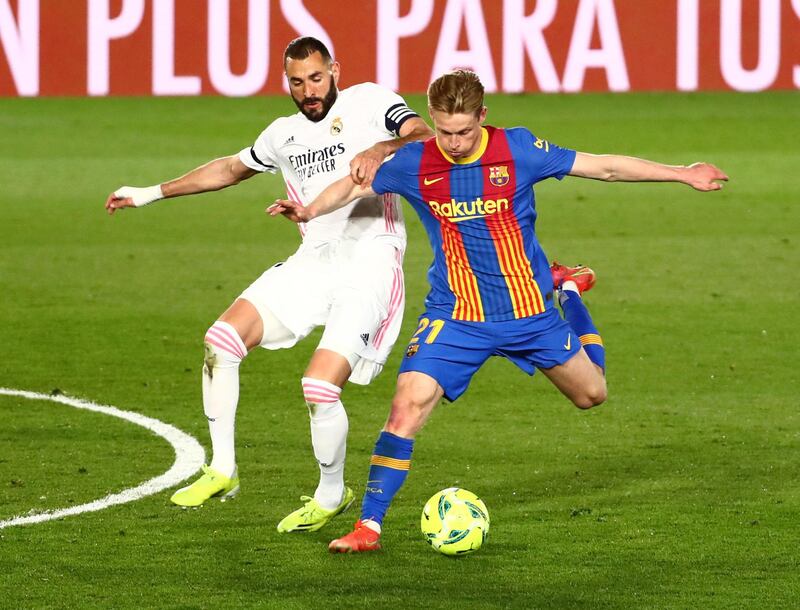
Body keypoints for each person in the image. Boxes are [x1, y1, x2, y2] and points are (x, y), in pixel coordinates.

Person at [269, 69, 728, 552]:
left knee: (592, 395)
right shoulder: (415, 162)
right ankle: (368, 528)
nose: (455, 141)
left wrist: (681, 173)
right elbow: (353, 185)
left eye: (465, 131)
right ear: (432, 121)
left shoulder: (518, 150)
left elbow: (604, 167)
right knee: (406, 407)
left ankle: (567, 291)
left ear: (482, 118)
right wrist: (308, 211)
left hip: (528, 310)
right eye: (445, 131)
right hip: (456, 315)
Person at [104, 36, 433, 532]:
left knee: (319, 386)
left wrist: (383, 146)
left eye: (317, 79)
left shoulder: (372, 101)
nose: (308, 91)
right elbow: (230, 170)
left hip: (371, 263)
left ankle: (331, 493)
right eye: (297, 82)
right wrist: (150, 193)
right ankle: (222, 468)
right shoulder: (284, 134)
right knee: (221, 341)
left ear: (335, 70)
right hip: (313, 262)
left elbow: (424, 136)